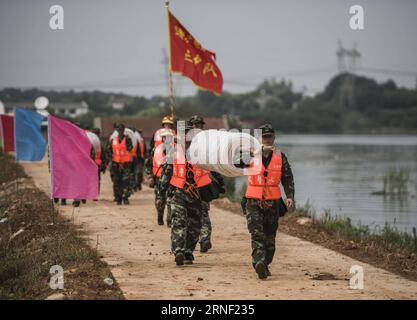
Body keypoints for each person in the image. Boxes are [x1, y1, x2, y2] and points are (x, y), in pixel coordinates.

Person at [242, 124, 295, 279]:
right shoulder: (250, 154)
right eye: (264, 137)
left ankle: (265, 263)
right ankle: (258, 262)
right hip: (253, 200)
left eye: (269, 137)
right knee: (257, 233)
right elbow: (237, 163)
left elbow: (288, 178)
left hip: (273, 202)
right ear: (259, 139)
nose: (267, 139)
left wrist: (290, 196)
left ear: (274, 138)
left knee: (270, 237)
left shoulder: (280, 156)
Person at [189, 115, 213, 253]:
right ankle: (197, 239)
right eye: (194, 125)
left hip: (202, 181)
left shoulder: (207, 141)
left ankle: (204, 239)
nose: (197, 127)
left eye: (199, 125)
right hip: (188, 182)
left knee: (203, 212)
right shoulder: (184, 142)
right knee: (192, 214)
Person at [146, 129, 175, 226]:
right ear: (162, 138)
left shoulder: (176, 151)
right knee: (160, 200)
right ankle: (160, 215)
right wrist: (149, 176)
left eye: (169, 137)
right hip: (158, 179)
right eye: (165, 137)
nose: (167, 139)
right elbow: (149, 164)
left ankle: (169, 220)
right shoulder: (155, 150)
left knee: (170, 199)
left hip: (172, 180)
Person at [105, 123, 133, 205]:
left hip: (126, 163)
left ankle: (125, 198)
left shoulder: (127, 139)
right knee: (116, 181)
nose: (120, 131)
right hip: (115, 163)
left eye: (121, 130)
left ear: (124, 130)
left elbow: (130, 148)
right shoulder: (113, 140)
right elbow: (108, 151)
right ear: (117, 131)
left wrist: (127, 141)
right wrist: (110, 160)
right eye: (119, 130)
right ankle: (118, 198)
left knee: (126, 180)